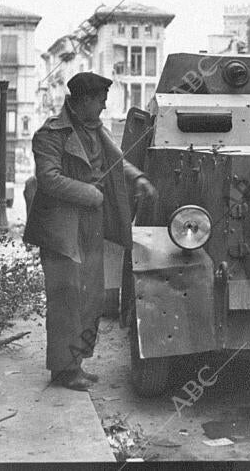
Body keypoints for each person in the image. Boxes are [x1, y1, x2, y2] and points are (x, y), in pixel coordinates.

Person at [23, 72, 156, 390]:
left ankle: (77, 362)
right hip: (61, 226)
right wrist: (90, 193)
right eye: (100, 100)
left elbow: (116, 162)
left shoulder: (97, 129)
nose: (104, 105)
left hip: (92, 224)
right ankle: (63, 369)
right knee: (66, 296)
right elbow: (49, 178)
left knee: (92, 296)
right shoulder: (50, 135)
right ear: (81, 101)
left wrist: (137, 177)